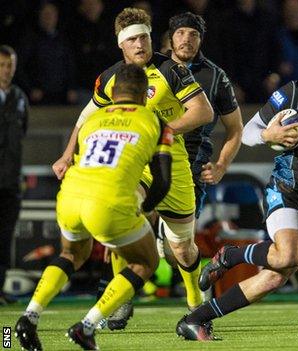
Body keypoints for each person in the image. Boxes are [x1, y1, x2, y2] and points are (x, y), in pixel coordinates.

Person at [175, 28, 298, 340]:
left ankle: (197, 318)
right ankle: (231, 256)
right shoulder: (293, 93)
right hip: (287, 187)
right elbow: (251, 131)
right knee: (286, 256)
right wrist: (270, 136)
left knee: (272, 279)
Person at [50, 7, 213, 330]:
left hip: (172, 163)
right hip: (134, 166)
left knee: (181, 247)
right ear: (120, 44)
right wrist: (67, 155)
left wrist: (160, 131)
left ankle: (197, 306)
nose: (140, 44)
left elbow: (203, 112)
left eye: (145, 37)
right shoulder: (110, 77)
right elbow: (85, 119)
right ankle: (121, 299)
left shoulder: (171, 70)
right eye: (133, 39)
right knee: (120, 222)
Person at [14, 63, 172, 351]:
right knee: (145, 262)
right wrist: (145, 209)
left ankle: (28, 317)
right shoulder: (154, 120)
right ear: (142, 94)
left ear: (114, 92)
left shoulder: (93, 118)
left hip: (71, 196)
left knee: (71, 254)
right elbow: (162, 182)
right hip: (110, 202)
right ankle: (86, 327)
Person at [153, 12, 243, 294]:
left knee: (176, 249)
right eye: (180, 33)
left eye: (193, 34)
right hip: (148, 158)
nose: (186, 39)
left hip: (191, 165)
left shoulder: (215, 76)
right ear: (170, 37)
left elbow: (236, 128)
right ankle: (120, 298)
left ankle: (194, 294)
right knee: (128, 230)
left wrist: (221, 165)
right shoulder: (152, 67)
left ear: (201, 39)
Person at [0, 45, 28, 306]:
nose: (7, 70)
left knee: (6, 236)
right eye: (2, 65)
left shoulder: (19, 96)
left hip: (10, 181)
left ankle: (0, 287)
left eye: (10, 65)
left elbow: (22, 134)